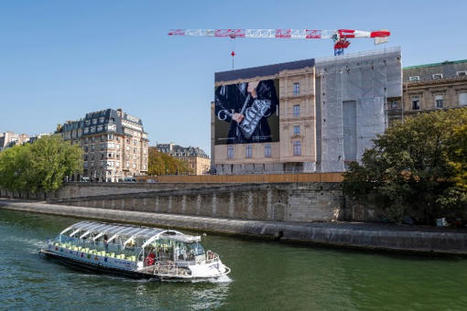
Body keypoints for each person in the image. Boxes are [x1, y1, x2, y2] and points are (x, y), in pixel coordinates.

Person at [215, 79, 278, 144]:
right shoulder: (231, 80)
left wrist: (255, 96)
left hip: (259, 130)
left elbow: (273, 106)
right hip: (237, 131)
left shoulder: (266, 82)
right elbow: (217, 101)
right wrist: (232, 115)